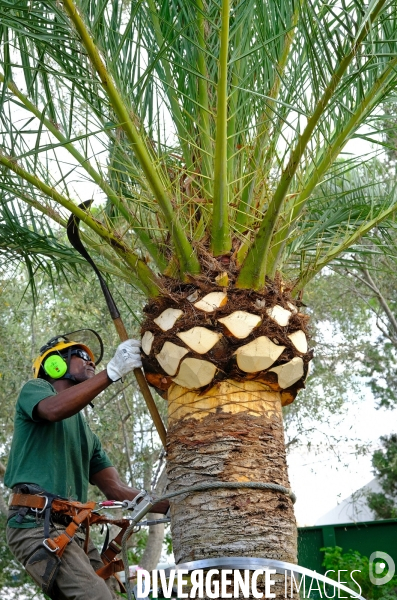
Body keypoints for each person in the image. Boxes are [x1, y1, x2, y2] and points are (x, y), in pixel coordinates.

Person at [4, 329, 168, 600]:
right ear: (54, 365)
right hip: (35, 524)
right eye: (80, 355)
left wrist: (177, 504)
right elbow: (53, 409)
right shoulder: (35, 390)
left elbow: (116, 489)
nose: (91, 362)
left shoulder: (86, 435)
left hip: (74, 532)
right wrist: (112, 372)